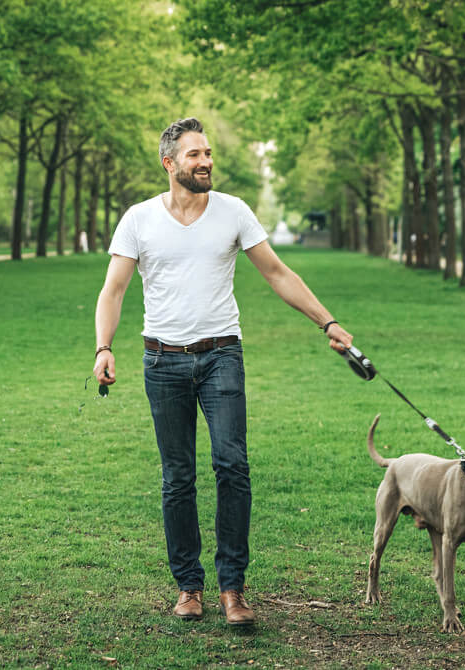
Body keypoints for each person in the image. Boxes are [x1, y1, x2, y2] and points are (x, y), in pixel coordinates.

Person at [92, 118, 352, 626]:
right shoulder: (139, 220)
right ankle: (189, 587)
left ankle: (233, 588)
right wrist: (103, 347)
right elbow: (114, 290)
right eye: (194, 155)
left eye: (207, 153)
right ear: (169, 164)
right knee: (178, 477)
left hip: (221, 356)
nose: (205, 161)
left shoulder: (233, 212)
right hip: (162, 360)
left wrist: (328, 322)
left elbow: (277, 272)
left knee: (232, 465)